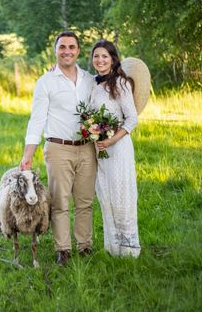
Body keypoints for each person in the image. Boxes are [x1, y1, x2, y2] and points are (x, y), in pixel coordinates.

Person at [20, 31, 97, 266]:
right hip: (58, 149)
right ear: (55, 50)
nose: (67, 51)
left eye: (72, 47)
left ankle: (85, 246)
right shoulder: (46, 82)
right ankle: (63, 249)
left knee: (85, 201)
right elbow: (37, 120)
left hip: (87, 149)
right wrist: (27, 155)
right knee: (60, 202)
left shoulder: (90, 80)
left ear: (78, 51)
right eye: (62, 47)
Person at [90, 39, 141, 257]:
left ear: (113, 59)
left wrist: (111, 140)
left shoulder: (120, 83)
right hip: (100, 150)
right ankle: (112, 248)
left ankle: (129, 251)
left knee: (122, 195)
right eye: (96, 56)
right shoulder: (92, 83)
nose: (100, 60)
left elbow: (131, 119)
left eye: (104, 56)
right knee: (106, 194)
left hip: (118, 148)